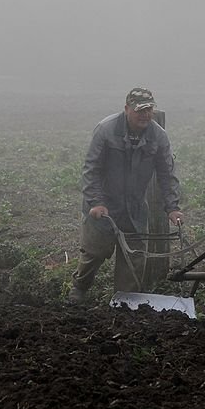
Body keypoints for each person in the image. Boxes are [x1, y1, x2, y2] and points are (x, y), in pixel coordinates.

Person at [68, 88, 186, 303]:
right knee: (94, 253)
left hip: (135, 208)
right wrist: (96, 202)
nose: (145, 115)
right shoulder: (106, 130)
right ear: (127, 109)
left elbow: (166, 174)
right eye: (140, 110)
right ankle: (79, 288)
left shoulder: (158, 136)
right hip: (104, 207)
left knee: (134, 260)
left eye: (149, 110)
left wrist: (172, 207)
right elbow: (91, 169)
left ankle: (125, 302)